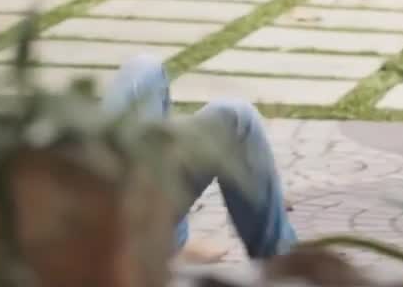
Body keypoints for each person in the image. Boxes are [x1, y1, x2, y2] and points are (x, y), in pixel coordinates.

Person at [102, 55, 298, 262]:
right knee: (236, 118)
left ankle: (172, 242)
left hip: (100, 188)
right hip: (110, 220)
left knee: (144, 67)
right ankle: (286, 265)